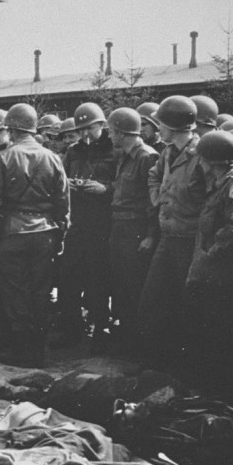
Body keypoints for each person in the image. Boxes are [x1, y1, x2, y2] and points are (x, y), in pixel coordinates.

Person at [0, 103, 69, 368]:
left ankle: (23, 350)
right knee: (41, 291)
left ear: (12, 130)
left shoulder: (4, 158)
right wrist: (61, 233)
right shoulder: (52, 158)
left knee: (16, 292)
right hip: (45, 233)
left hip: (12, 233)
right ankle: (38, 351)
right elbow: (63, 200)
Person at [136, 96, 207, 372]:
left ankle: (186, 368)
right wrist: (159, 198)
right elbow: (154, 176)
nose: (158, 129)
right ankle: (156, 365)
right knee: (152, 300)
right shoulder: (167, 153)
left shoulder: (202, 153)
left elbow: (213, 197)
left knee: (187, 305)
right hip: (168, 238)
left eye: (161, 124)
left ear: (174, 126)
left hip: (190, 241)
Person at [185, 131, 233, 394]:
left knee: (218, 332)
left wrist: (210, 254)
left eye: (202, 159)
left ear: (213, 160)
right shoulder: (218, 182)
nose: (200, 163)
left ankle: (219, 389)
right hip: (208, 270)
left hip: (220, 273)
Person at [55, 101, 115, 348]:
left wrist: (105, 188)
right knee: (68, 279)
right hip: (76, 223)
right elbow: (61, 179)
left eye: (90, 128)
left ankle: (100, 330)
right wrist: (68, 183)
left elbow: (125, 185)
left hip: (102, 224)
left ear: (101, 125)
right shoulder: (73, 151)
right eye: (81, 130)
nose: (85, 133)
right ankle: (71, 330)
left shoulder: (114, 150)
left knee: (98, 280)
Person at [107, 107, 158, 351]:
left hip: (136, 228)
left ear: (121, 132)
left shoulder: (146, 157)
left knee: (135, 285)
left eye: (111, 131)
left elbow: (152, 200)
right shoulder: (126, 156)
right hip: (120, 226)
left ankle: (140, 343)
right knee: (121, 284)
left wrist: (150, 235)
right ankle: (127, 338)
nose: (109, 135)